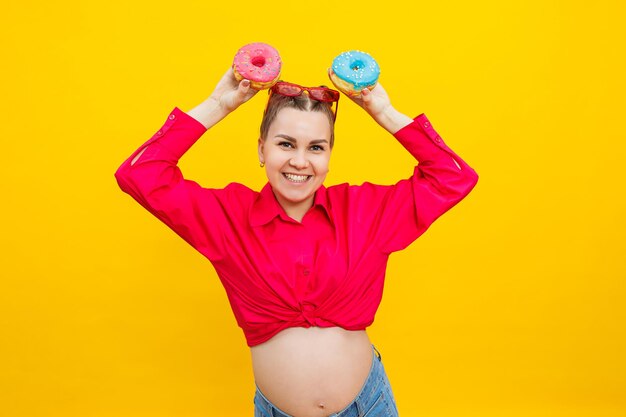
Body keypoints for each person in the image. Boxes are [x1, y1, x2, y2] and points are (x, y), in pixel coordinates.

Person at [114, 66, 479, 417]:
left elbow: (453, 177)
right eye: (286, 144)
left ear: (329, 156)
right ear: (261, 150)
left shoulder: (366, 211)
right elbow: (139, 174)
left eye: (316, 147)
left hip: (369, 406)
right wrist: (219, 104)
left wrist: (383, 112)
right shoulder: (225, 218)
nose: (300, 161)